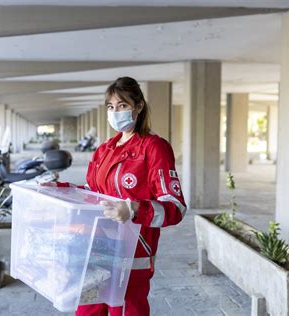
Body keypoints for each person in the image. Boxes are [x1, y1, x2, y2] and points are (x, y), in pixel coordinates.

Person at [48, 76, 187, 315]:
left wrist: (134, 209)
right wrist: (60, 188)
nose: (115, 112)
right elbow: (92, 192)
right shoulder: (105, 149)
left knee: (128, 310)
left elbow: (175, 207)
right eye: (111, 107)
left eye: (122, 106)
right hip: (96, 248)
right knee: (88, 309)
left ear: (139, 106)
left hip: (132, 254)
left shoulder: (154, 147)